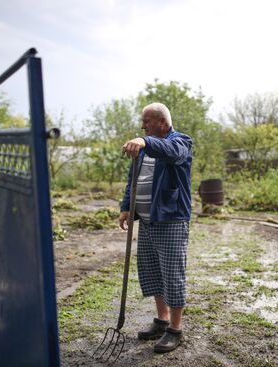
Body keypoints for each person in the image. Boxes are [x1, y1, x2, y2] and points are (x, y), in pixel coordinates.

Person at [120, 102, 193, 353]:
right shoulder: (144, 148)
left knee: (172, 275)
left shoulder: (181, 142)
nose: (143, 126)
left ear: (162, 122)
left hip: (171, 220)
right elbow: (134, 179)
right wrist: (126, 206)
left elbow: (171, 151)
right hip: (147, 221)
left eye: (147, 122)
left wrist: (144, 141)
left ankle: (175, 329)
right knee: (152, 272)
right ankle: (162, 321)